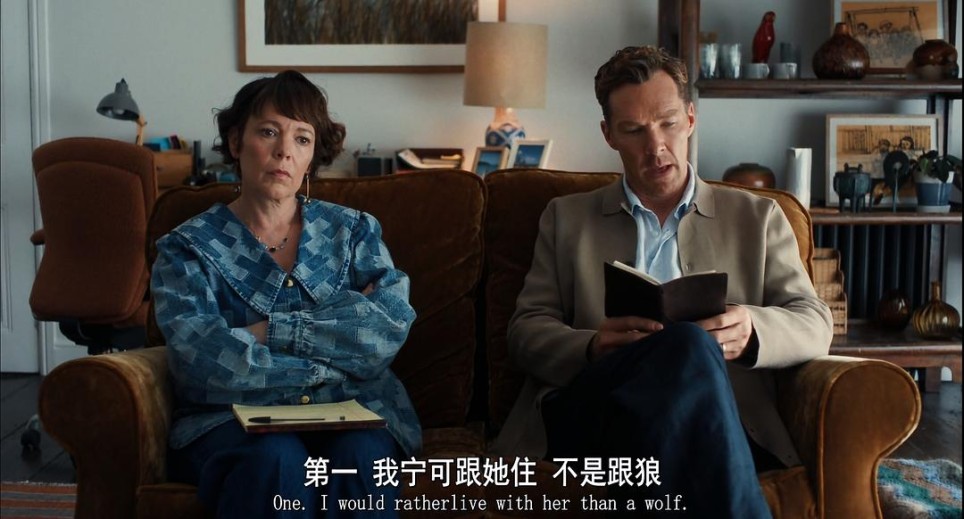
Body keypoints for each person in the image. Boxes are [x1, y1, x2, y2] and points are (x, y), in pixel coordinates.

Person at [488, 46, 833, 517]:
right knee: (687, 344)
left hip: (714, 418)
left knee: (688, 349)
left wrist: (752, 329)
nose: (656, 147)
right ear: (609, 134)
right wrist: (591, 346)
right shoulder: (566, 218)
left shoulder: (758, 217)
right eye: (634, 130)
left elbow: (815, 322)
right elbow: (525, 331)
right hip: (597, 407)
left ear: (690, 119)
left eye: (668, 123)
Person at [151, 70, 420, 518]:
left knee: (361, 457)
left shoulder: (354, 232)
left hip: (355, 413)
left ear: (312, 155)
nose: (284, 151)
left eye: (302, 138)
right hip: (231, 421)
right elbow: (200, 361)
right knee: (277, 460)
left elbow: (385, 331)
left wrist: (265, 332)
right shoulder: (189, 247)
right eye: (269, 132)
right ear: (236, 142)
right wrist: (336, 348)